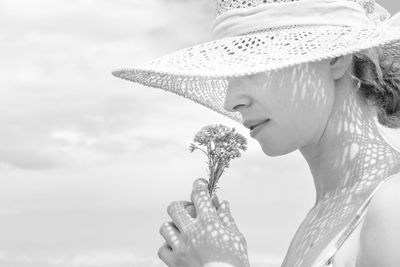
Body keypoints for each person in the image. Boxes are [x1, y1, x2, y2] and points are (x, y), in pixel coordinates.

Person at [112, 0, 400, 266]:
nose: (230, 100)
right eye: (230, 73)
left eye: (256, 65)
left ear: (336, 57)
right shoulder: (326, 214)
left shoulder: (392, 204)